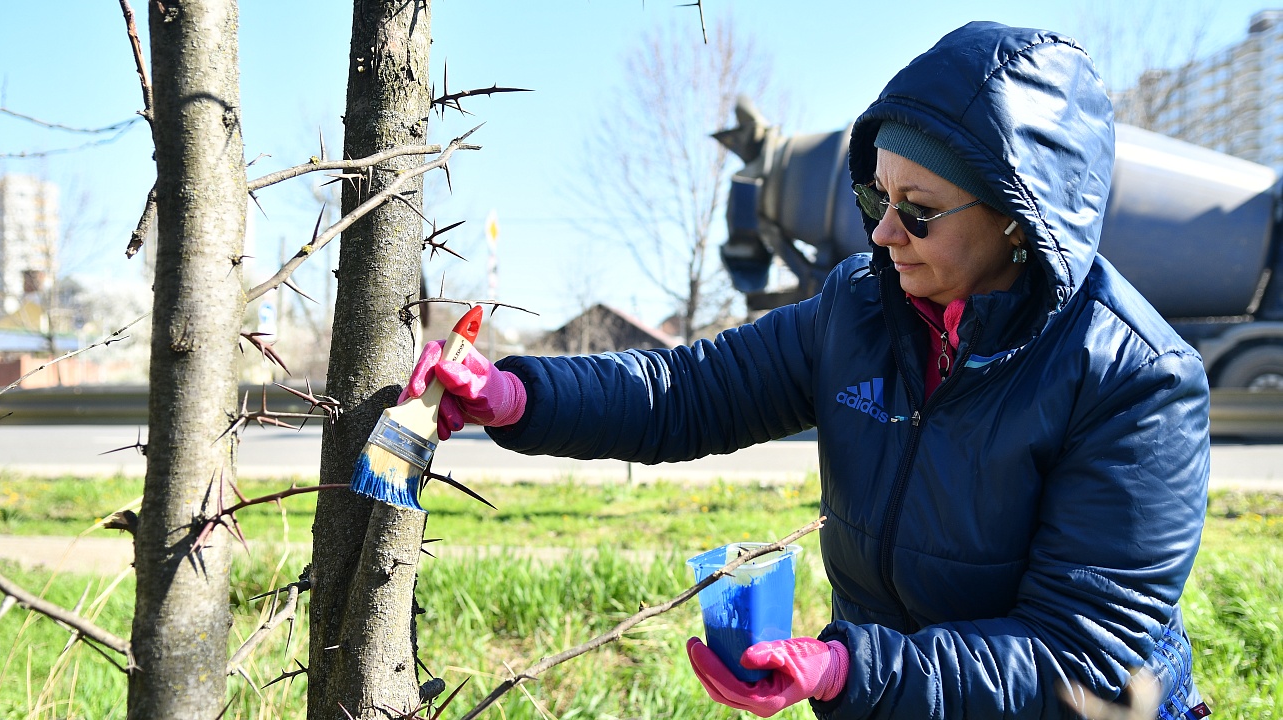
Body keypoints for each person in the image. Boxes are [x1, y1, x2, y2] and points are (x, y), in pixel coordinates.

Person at [401, 21, 1211, 720]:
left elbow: (1077, 659)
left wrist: (851, 669)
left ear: (1015, 216)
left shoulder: (1136, 380)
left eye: (918, 211)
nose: (885, 233)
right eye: (875, 198)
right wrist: (516, 397)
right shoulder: (859, 307)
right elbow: (687, 393)